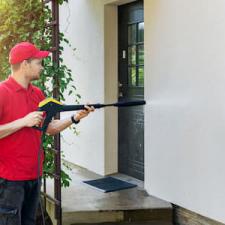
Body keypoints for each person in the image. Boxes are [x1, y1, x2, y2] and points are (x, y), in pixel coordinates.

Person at [0, 42, 95, 225]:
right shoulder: (3, 92)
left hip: (33, 175)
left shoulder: (37, 93)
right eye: (38, 62)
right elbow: (25, 123)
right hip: (9, 180)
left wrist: (76, 117)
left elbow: (50, 127)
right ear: (25, 64)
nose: (42, 67)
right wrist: (23, 122)